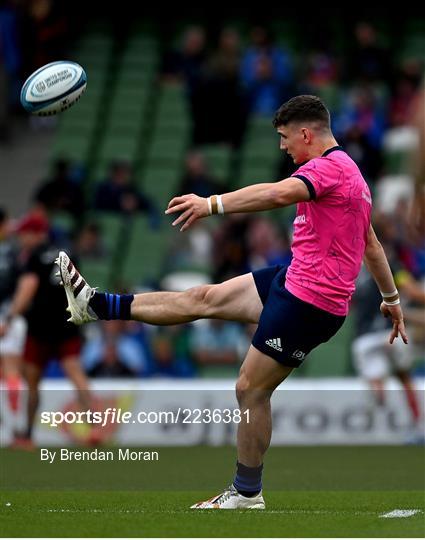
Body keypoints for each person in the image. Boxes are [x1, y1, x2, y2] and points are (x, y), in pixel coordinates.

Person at [56, 95, 407, 509]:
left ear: (306, 134)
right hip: (292, 279)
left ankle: (246, 492)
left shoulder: (327, 169)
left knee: (249, 390)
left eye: (284, 137)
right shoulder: (355, 179)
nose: (282, 146)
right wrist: (391, 298)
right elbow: (371, 245)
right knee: (203, 297)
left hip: (311, 301)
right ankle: (96, 305)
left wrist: (211, 204)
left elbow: (277, 195)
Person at [5, 211, 90, 448]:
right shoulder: (68, 252)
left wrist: (10, 318)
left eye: (24, 234)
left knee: (32, 382)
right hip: (68, 325)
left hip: (40, 328)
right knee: (76, 373)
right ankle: (95, 428)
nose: (22, 239)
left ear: (37, 234)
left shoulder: (34, 258)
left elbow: (27, 288)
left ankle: (27, 436)